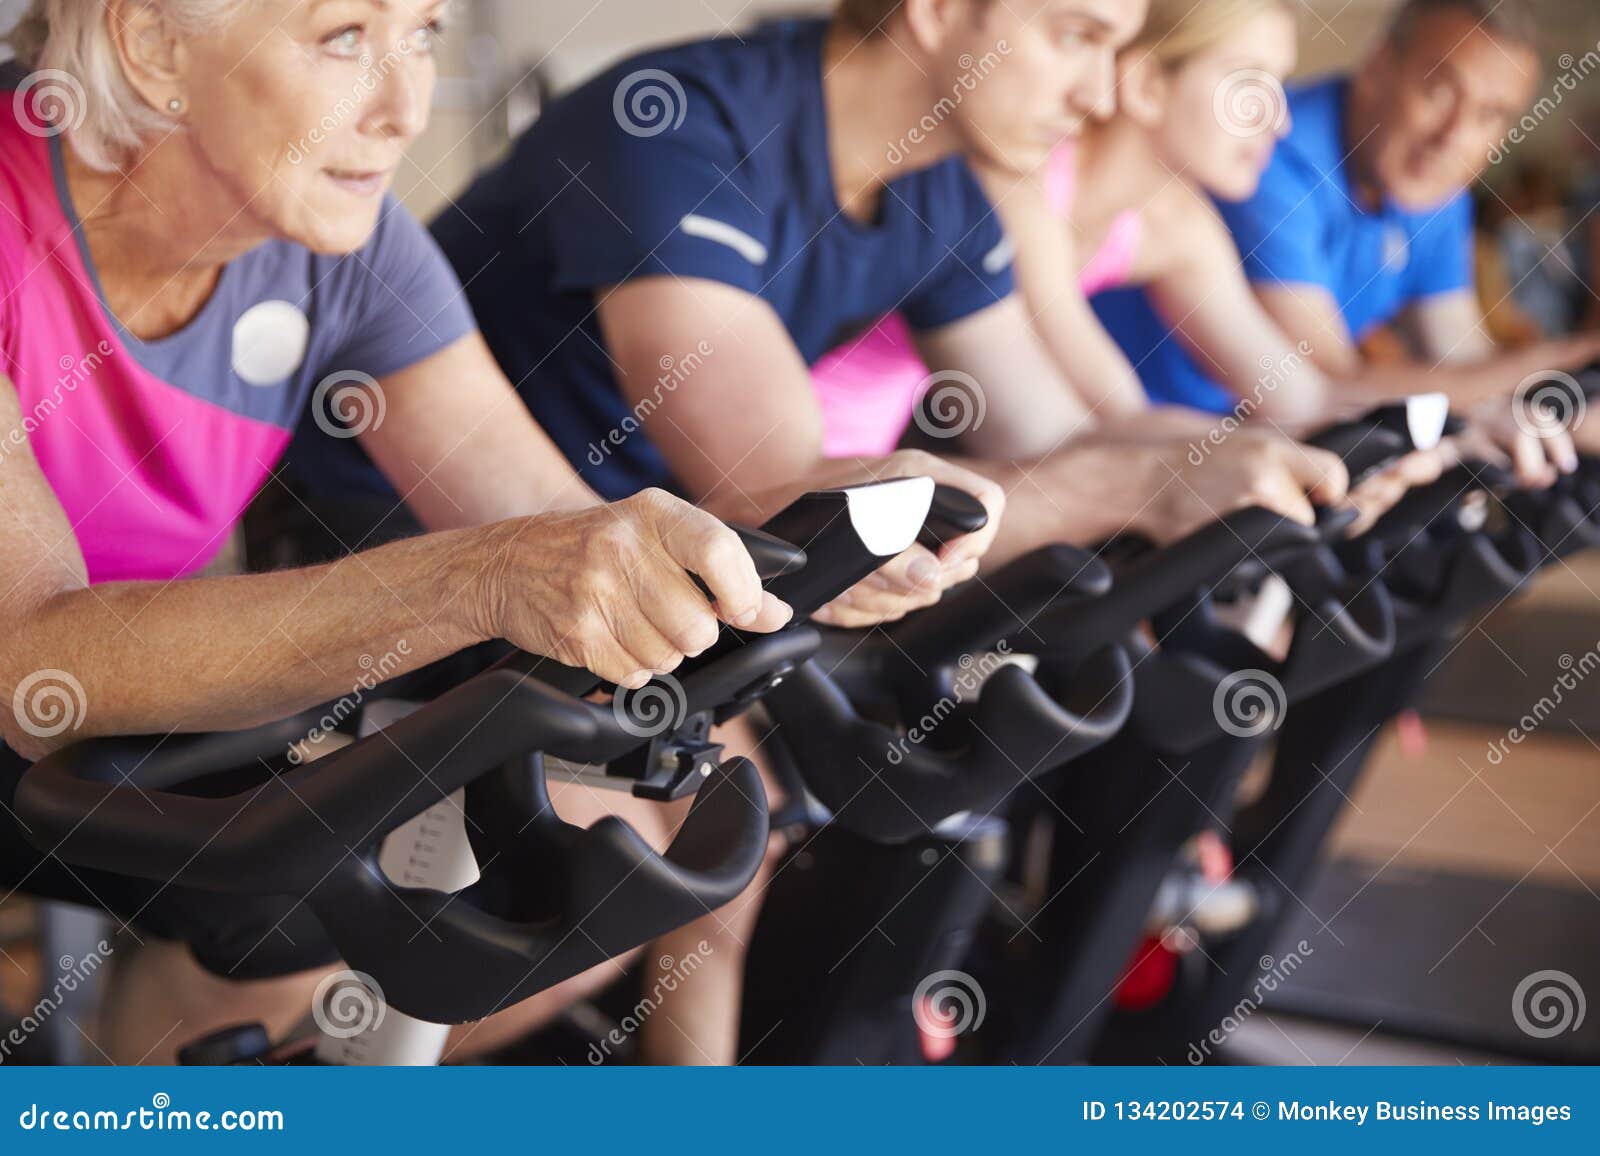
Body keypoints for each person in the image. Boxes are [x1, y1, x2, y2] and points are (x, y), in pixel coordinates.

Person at [0, 0, 995, 1065]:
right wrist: (476, 578)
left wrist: (803, 548)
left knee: (553, 879)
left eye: (423, 33)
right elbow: (32, 664)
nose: (405, 104)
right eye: (345, 38)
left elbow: (550, 519)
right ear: (153, 43)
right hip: (46, 697)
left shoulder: (348, 247)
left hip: (133, 717)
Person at [290, 0, 1371, 577]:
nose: (1096, 92)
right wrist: (1138, 491)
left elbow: (1049, 427)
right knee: (690, 855)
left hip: (628, 540)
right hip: (397, 531)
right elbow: (775, 488)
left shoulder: (940, 189)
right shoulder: (682, 125)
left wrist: (1261, 464)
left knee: (740, 862)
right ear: (940, 9)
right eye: (1072, 35)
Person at [810, 0, 1456, 525]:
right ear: (1146, 84)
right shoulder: (1021, 184)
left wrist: (1426, 441)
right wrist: (1267, 456)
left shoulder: (1179, 223)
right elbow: (1102, 417)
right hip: (816, 461)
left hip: (876, 459)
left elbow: (1297, 394)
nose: (1278, 121)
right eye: (1249, 83)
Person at [1094, 0, 1600, 478]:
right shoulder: (1266, 163)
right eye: (1438, 91)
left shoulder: (1435, 190)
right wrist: (1571, 353)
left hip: (1207, 448)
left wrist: (1521, 419)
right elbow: (1333, 380)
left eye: (1489, 115)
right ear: (1378, 68)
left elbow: (1458, 368)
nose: (1453, 137)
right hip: (1178, 452)